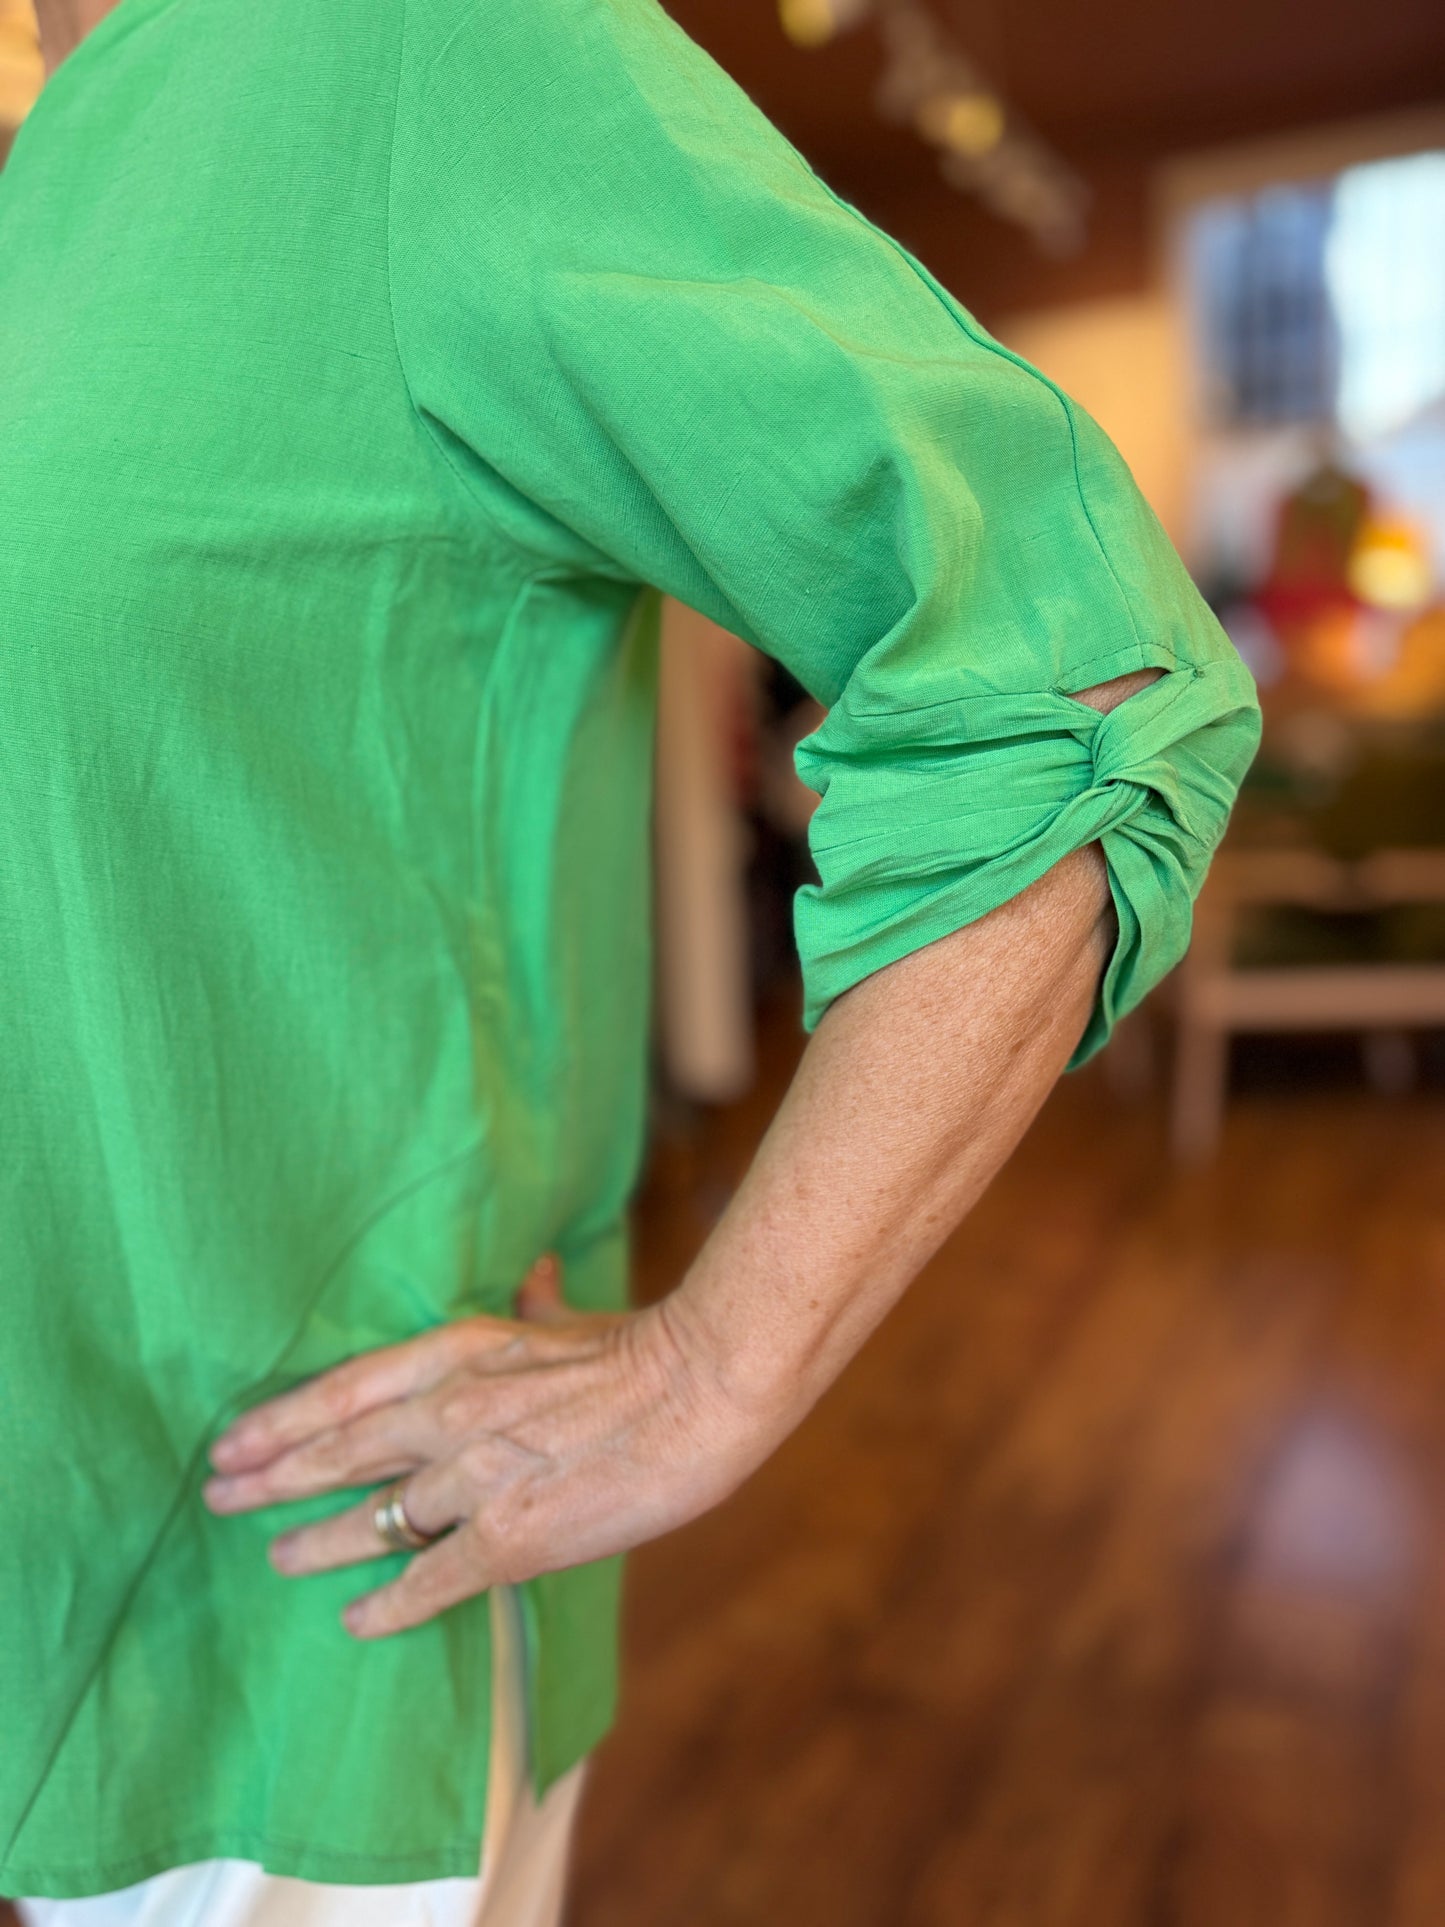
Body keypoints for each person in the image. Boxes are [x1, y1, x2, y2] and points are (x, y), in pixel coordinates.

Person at [0, 0, 1262, 1920]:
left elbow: (1071, 676)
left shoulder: (416, 53)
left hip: (291, 1623)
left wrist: (712, 1369)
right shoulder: (61, 156)